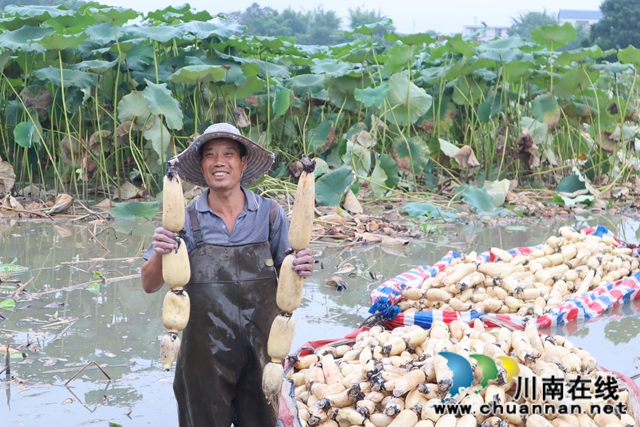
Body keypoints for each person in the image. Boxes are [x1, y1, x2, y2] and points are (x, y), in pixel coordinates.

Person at [140, 123, 314, 427]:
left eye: (229, 154)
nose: (219, 162)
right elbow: (149, 284)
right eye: (210, 155)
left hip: (262, 353)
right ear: (201, 165)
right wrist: (159, 250)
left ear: (243, 162)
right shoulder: (184, 220)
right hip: (203, 357)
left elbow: (292, 273)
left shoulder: (270, 215)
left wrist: (303, 266)